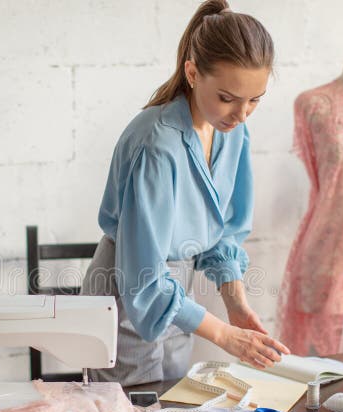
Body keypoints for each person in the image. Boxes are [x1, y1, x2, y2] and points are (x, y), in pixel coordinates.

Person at [81, 0, 290, 386]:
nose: (242, 114)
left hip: (175, 292)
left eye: (254, 100)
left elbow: (224, 228)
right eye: (228, 98)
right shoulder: (157, 145)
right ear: (192, 73)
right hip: (128, 288)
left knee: (175, 407)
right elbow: (142, 278)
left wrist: (236, 305)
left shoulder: (232, 131)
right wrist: (225, 336)